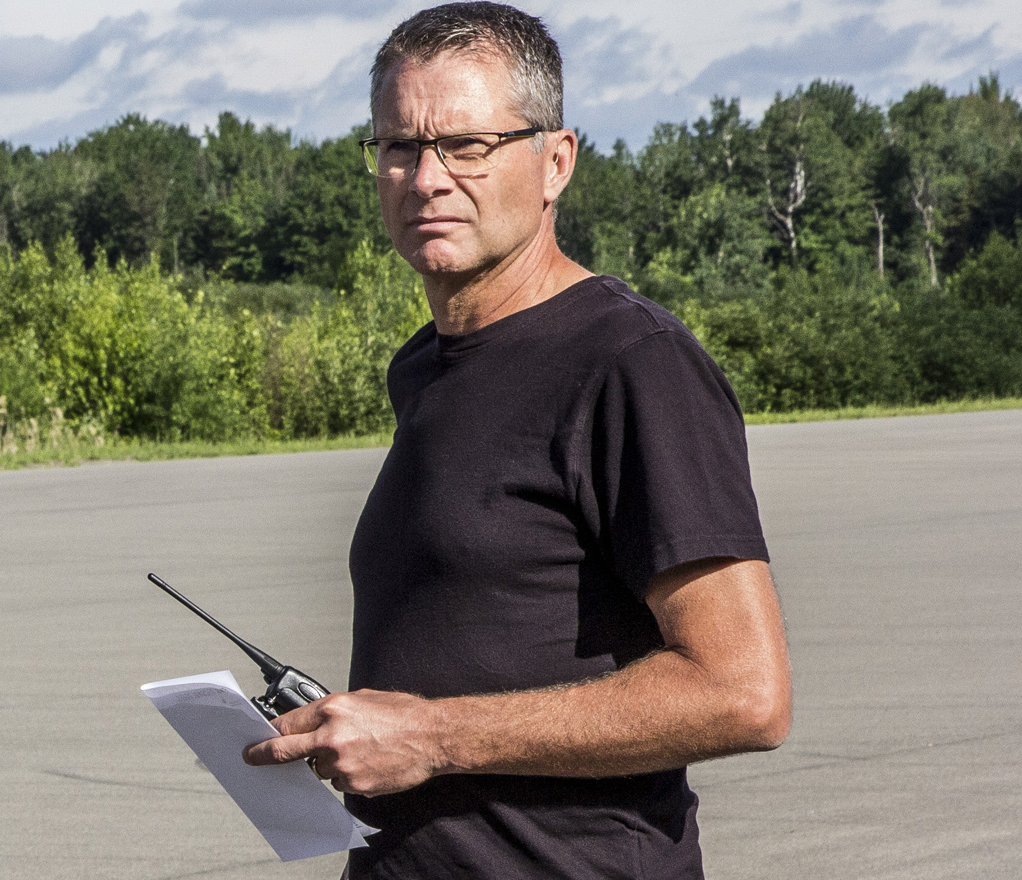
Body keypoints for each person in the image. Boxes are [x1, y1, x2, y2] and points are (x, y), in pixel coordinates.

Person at [238, 4, 794, 878]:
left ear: (555, 162)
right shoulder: (428, 366)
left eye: (467, 145)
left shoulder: (632, 363)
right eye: (398, 146)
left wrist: (431, 736)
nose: (426, 178)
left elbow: (743, 694)